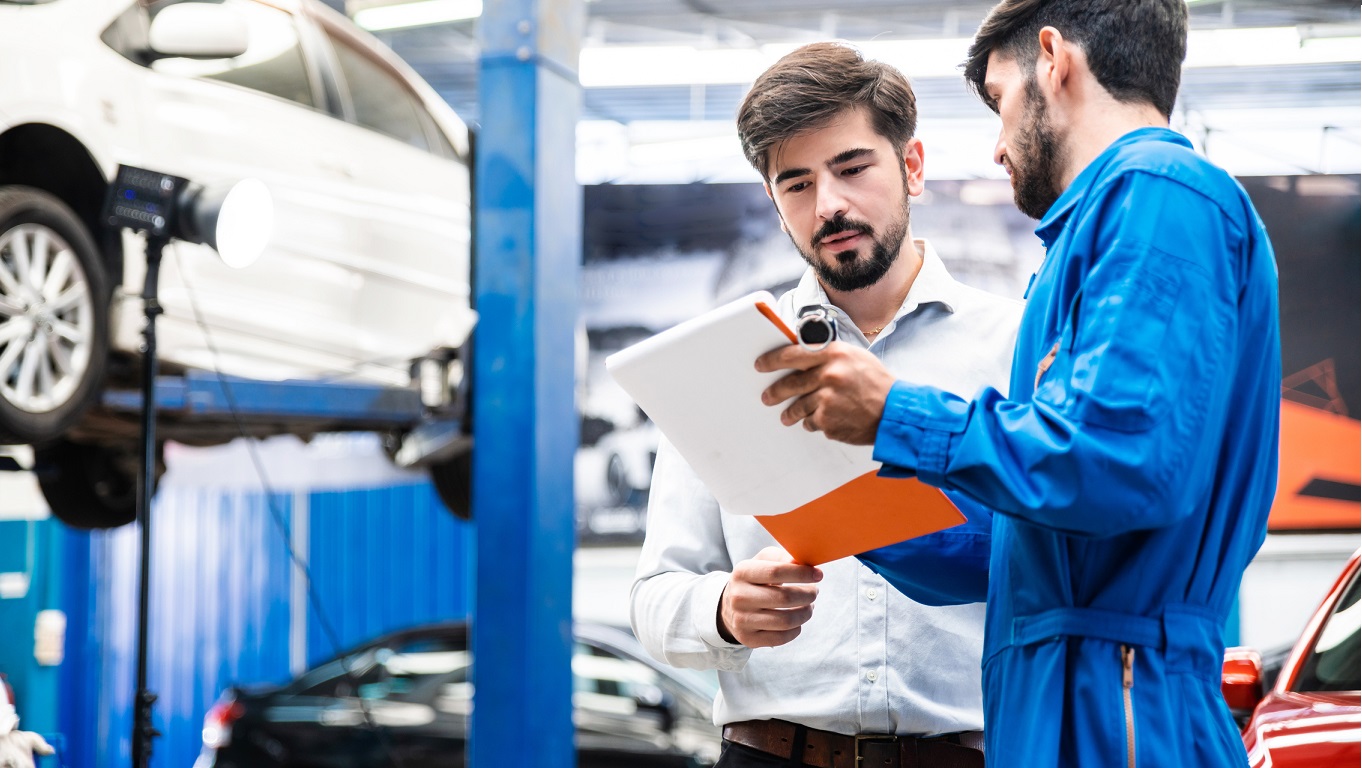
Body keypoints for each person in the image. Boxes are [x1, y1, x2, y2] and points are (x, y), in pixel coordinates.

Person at [755, 2, 1281, 767]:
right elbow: (1031, 544)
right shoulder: (1096, 234)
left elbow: (1119, 464)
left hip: (1121, 711)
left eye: (999, 101)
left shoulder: (1159, 193)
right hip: (1071, 701)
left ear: (1053, 58)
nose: (999, 148)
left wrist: (897, 413)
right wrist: (855, 520)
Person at [630, 42, 1023, 768]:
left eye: (851, 168)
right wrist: (722, 611)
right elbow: (655, 596)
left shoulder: (1016, 346)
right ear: (775, 204)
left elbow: (1062, 561)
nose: (830, 205)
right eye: (797, 184)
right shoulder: (724, 365)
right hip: (769, 753)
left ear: (910, 166)